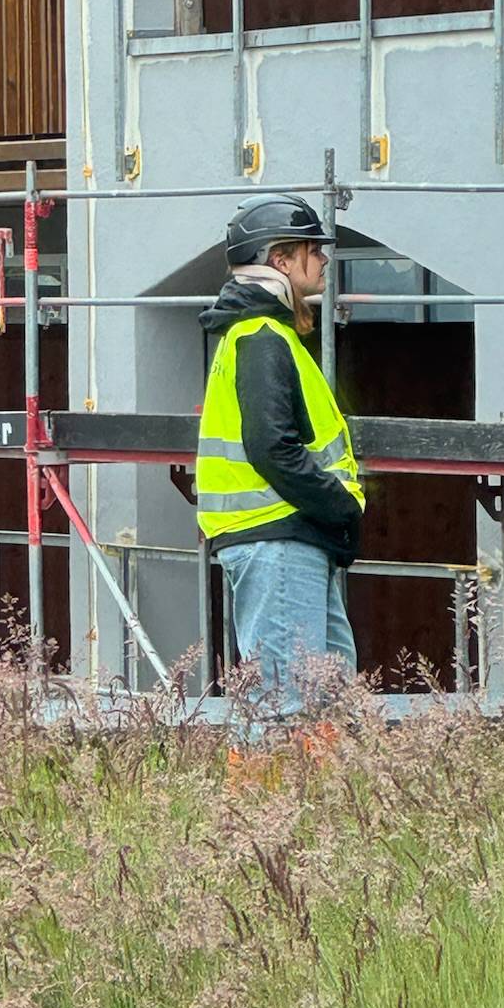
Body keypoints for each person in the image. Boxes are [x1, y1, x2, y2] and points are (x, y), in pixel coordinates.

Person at [195, 194, 365, 709]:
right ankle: (268, 792)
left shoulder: (261, 335)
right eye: (313, 248)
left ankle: (314, 792)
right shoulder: (263, 336)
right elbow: (272, 447)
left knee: (326, 702)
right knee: (285, 708)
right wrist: (340, 506)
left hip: (288, 539)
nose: (324, 259)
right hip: (279, 538)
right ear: (279, 259)